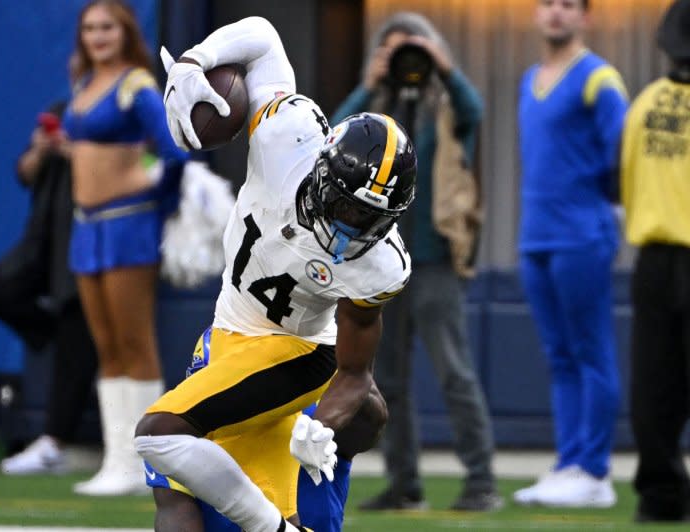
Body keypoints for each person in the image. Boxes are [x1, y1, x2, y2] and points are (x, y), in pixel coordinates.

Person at [134, 16, 417, 532]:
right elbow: (263, 37)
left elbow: (354, 372)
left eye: (367, 219)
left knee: (162, 437)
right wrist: (197, 60)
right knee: (170, 481)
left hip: (300, 351)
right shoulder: (289, 137)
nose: (351, 228)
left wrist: (324, 425)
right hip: (229, 338)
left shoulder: (379, 263)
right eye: (346, 207)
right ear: (323, 171)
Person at [331, 12, 500, 512]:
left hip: (434, 261)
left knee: (455, 372)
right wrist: (370, 84)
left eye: (416, 50)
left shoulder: (448, 112)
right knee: (388, 380)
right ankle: (404, 485)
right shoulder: (374, 117)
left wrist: (443, 68)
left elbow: (476, 108)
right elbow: (334, 136)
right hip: (379, 264)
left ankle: (481, 481)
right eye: (397, 50)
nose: (409, 61)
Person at [63, 0, 187, 496]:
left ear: (125, 31)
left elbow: (175, 149)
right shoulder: (80, 84)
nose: (98, 36)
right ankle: (116, 460)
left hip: (128, 223)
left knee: (135, 342)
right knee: (106, 346)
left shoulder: (137, 85)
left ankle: (144, 462)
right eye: (90, 28)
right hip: (86, 226)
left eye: (107, 27)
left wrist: (157, 199)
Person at [513, 0, 629, 508]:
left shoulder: (599, 79)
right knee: (559, 357)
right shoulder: (528, 79)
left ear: (585, 17)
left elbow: (620, 159)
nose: (556, 13)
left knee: (591, 351)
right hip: (535, 235)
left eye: (568, 5)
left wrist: (608, 211)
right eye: (548, 4)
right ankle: (568, 465)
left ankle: (594, 471)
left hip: (582, 235)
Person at [144, 327, 388, 532]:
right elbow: (176, 518)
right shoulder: (176, 433)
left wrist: (340, 378)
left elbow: (371, 424)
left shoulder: (314, 416)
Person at [0, 102, 100, 475]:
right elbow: (24, 173)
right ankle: (60, 337)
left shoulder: (128, 104)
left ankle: (54, 443)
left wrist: (75, 151)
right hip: (41, 243)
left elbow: (137, 168)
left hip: (89, 237)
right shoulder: (62, 109)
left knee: (79, 328)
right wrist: (43, 148)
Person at [621, 0, 690, 522]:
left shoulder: (645, 105)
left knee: (653, 384)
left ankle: (660, 494)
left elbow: (623, 182)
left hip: (653, 258)